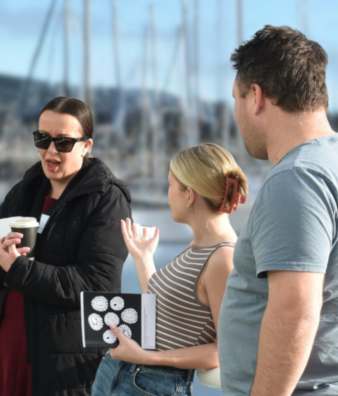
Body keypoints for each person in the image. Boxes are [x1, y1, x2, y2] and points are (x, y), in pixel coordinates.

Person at [219, 25, 338, 396]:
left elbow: (295, 312)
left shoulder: (298, 179)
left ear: (256, 96)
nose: (236, 113)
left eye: (236, 98)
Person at [0, 96, 130, 396]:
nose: (51, 150)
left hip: (62, 366)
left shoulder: (107, 199)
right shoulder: (24, 191)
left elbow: (97, 285)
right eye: (42, 139)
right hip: (1, 350)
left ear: (86, 145)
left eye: (63, 142)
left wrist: (17, 270)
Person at [89, 143, 249, 396]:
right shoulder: (201, 246)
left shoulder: (222, 258)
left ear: (189, 194)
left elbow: (223, 351)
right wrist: (143, 258)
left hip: (149, 383)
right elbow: (166, 311)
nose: (167, 193)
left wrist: (145, 357)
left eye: (170, 184)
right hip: (123, 375)